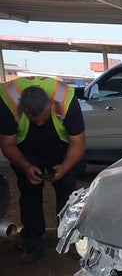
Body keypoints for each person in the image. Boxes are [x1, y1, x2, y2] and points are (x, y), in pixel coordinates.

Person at [0, 77, 85, 263]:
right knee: (29, 191)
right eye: (34, 120)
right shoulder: (7, 100)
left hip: (62, 150)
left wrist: (65, 167)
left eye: (43, 119)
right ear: (24, 111)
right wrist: (25, 166)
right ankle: (32, 241)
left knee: (67, 192)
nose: (39, 123)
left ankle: (70, 238)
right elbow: (7, 144)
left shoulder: (66, 99)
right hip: (26, 151)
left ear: (50, 107)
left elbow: (78, 142)